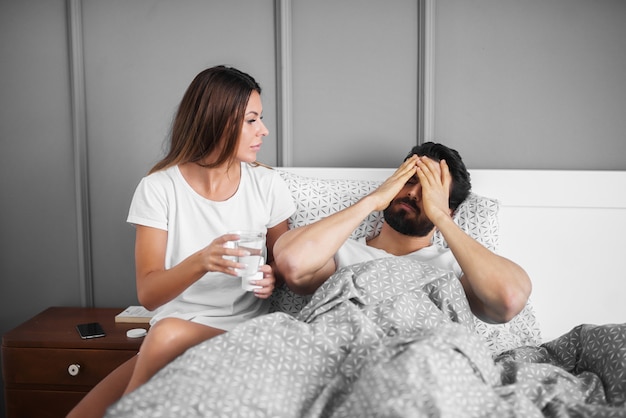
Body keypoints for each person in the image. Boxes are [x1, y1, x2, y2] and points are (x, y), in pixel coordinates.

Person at [67, 65, 295, 417]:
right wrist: (202, 261)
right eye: (251, 120)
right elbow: (149, 293)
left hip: (243, 329)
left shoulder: (267, 185)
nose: (263, 130)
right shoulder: (159, 187)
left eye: (260, 118)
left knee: (161, 342)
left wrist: (272, 275)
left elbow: (285, 261)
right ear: (217, 120)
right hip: (171, 328)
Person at [274, 142, 531, 324]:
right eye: (409, 181)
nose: (413, 193)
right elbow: (293, 262)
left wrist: (440, 217)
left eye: (430, 190)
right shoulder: (338, 251)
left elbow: (508, 299)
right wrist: (373, 200)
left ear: (450, 210)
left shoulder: (458, 268)